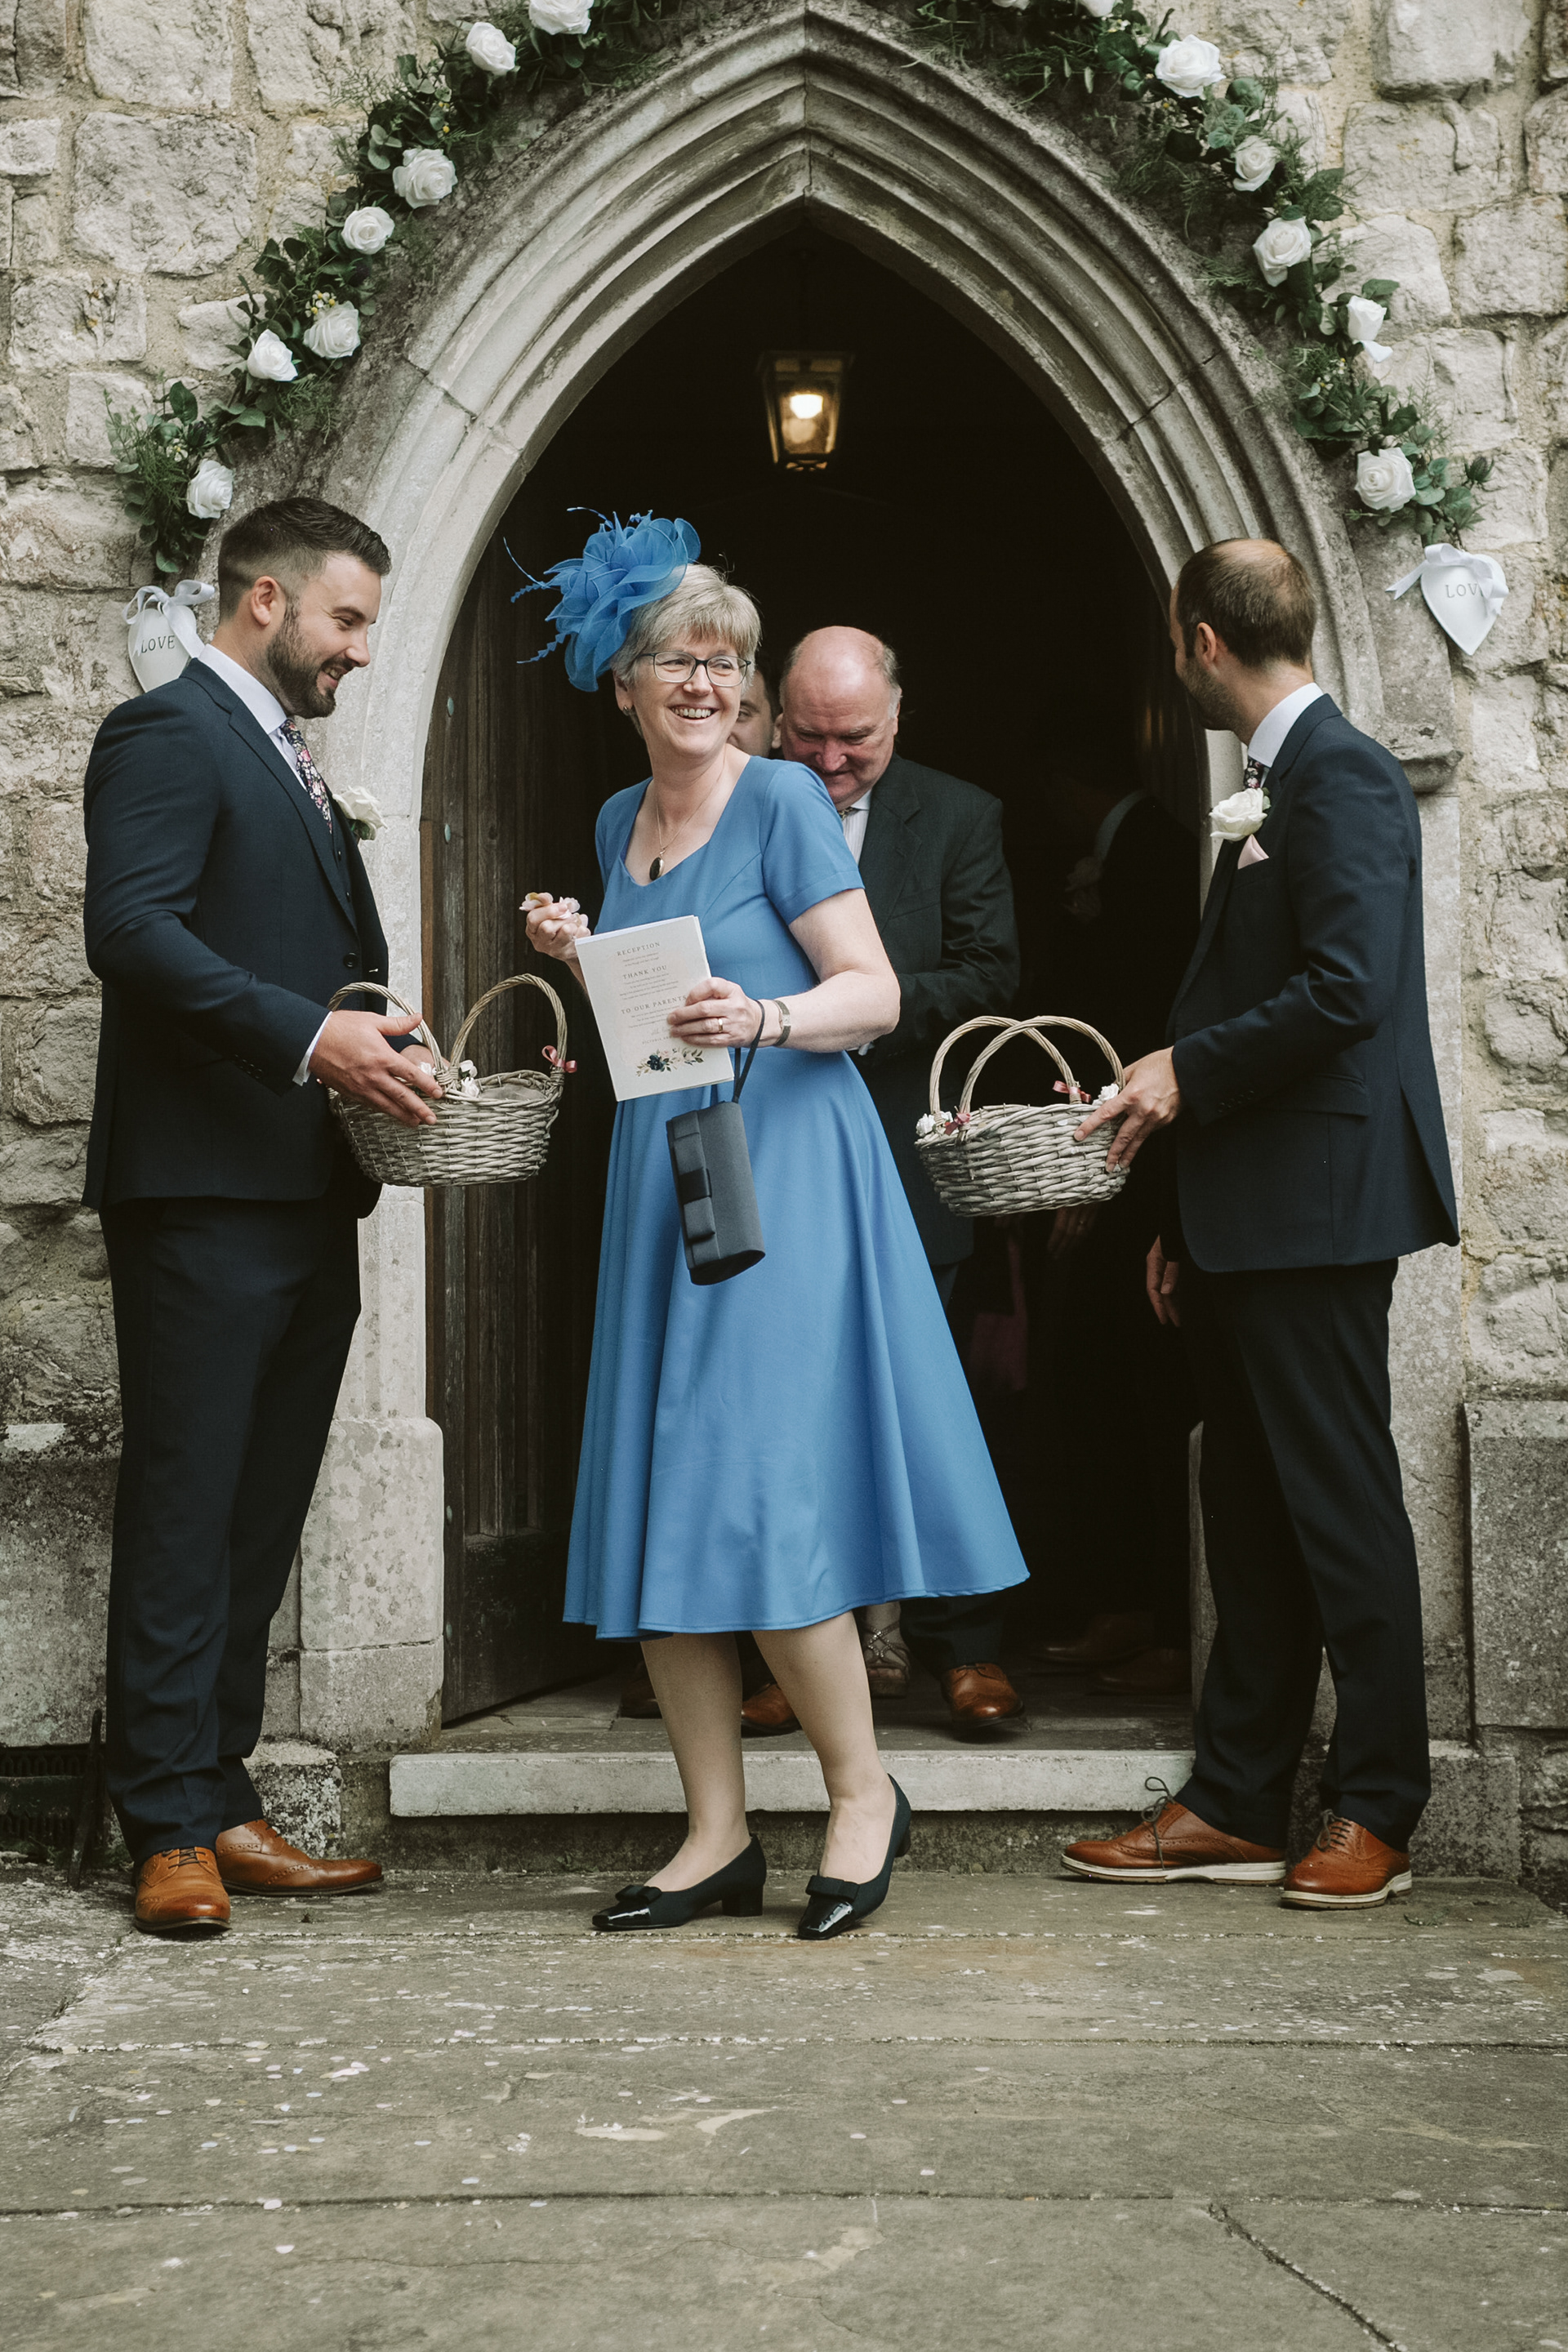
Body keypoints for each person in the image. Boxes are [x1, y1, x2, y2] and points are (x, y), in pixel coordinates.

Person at [523, 514, 1026, 1939]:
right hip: (665, 1170)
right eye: (677, 660)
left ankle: (862, 1795)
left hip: (786, 1173)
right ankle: (716, 1833)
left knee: (758, 1485)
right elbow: (655, 1013)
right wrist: (583, 956)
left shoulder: (785, 801)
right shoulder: (619, 824)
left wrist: (766, 1017)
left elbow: (872, 991)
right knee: (664, 1492)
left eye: (725, 662)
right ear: (622, 682)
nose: (706, 683)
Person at [1064, 539, 1458, 1909]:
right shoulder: (1276, 782)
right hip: (1245, 1216)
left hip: (1321, 1212)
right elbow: (1248, 993)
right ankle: (1236, 1799)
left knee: (1341, 1512)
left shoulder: (1343, 776)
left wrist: (1183, 1071)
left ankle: (1379, 1809)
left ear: (1201, 641)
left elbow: (1347, 991)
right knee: (1246, 1514)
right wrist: (1183, 1219)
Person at [82, 497, 442, 1934]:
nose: (361, 649)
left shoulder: (289, 758)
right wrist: (310, 1037)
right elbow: (131, 931)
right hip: (199, 1191)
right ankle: (163, 1826)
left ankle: (219, 1793)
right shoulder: (167, 732)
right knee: (187, 1507)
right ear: (266, 602)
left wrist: (381, 1040)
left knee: (256, 1511)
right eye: (347, 619)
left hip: (304, 1188)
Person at [741, 625, 1024, 1739]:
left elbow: (993, 971)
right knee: (793, 1405)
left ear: (896, 722)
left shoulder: (959, 817)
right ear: (778, 721)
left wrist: (860, 1013)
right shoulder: (742, 806)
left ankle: (967, 1645)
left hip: (907, 1147)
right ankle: (804, 1652)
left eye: (853, 738)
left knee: (934, 1399)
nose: (829, 761)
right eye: (806, 735)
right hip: (774, 1143)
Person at [1028, 733, 1199, 1698]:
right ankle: (1129, 1602)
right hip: (1123, 1159)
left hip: (1141, 1164)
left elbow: (1140, 1018)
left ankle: (1165, 1616)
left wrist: (1093, 1171)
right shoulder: (1139, 852)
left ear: (1066, 781)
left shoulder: (1156, 857)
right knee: (1097, 1379)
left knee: (1142, 1389)